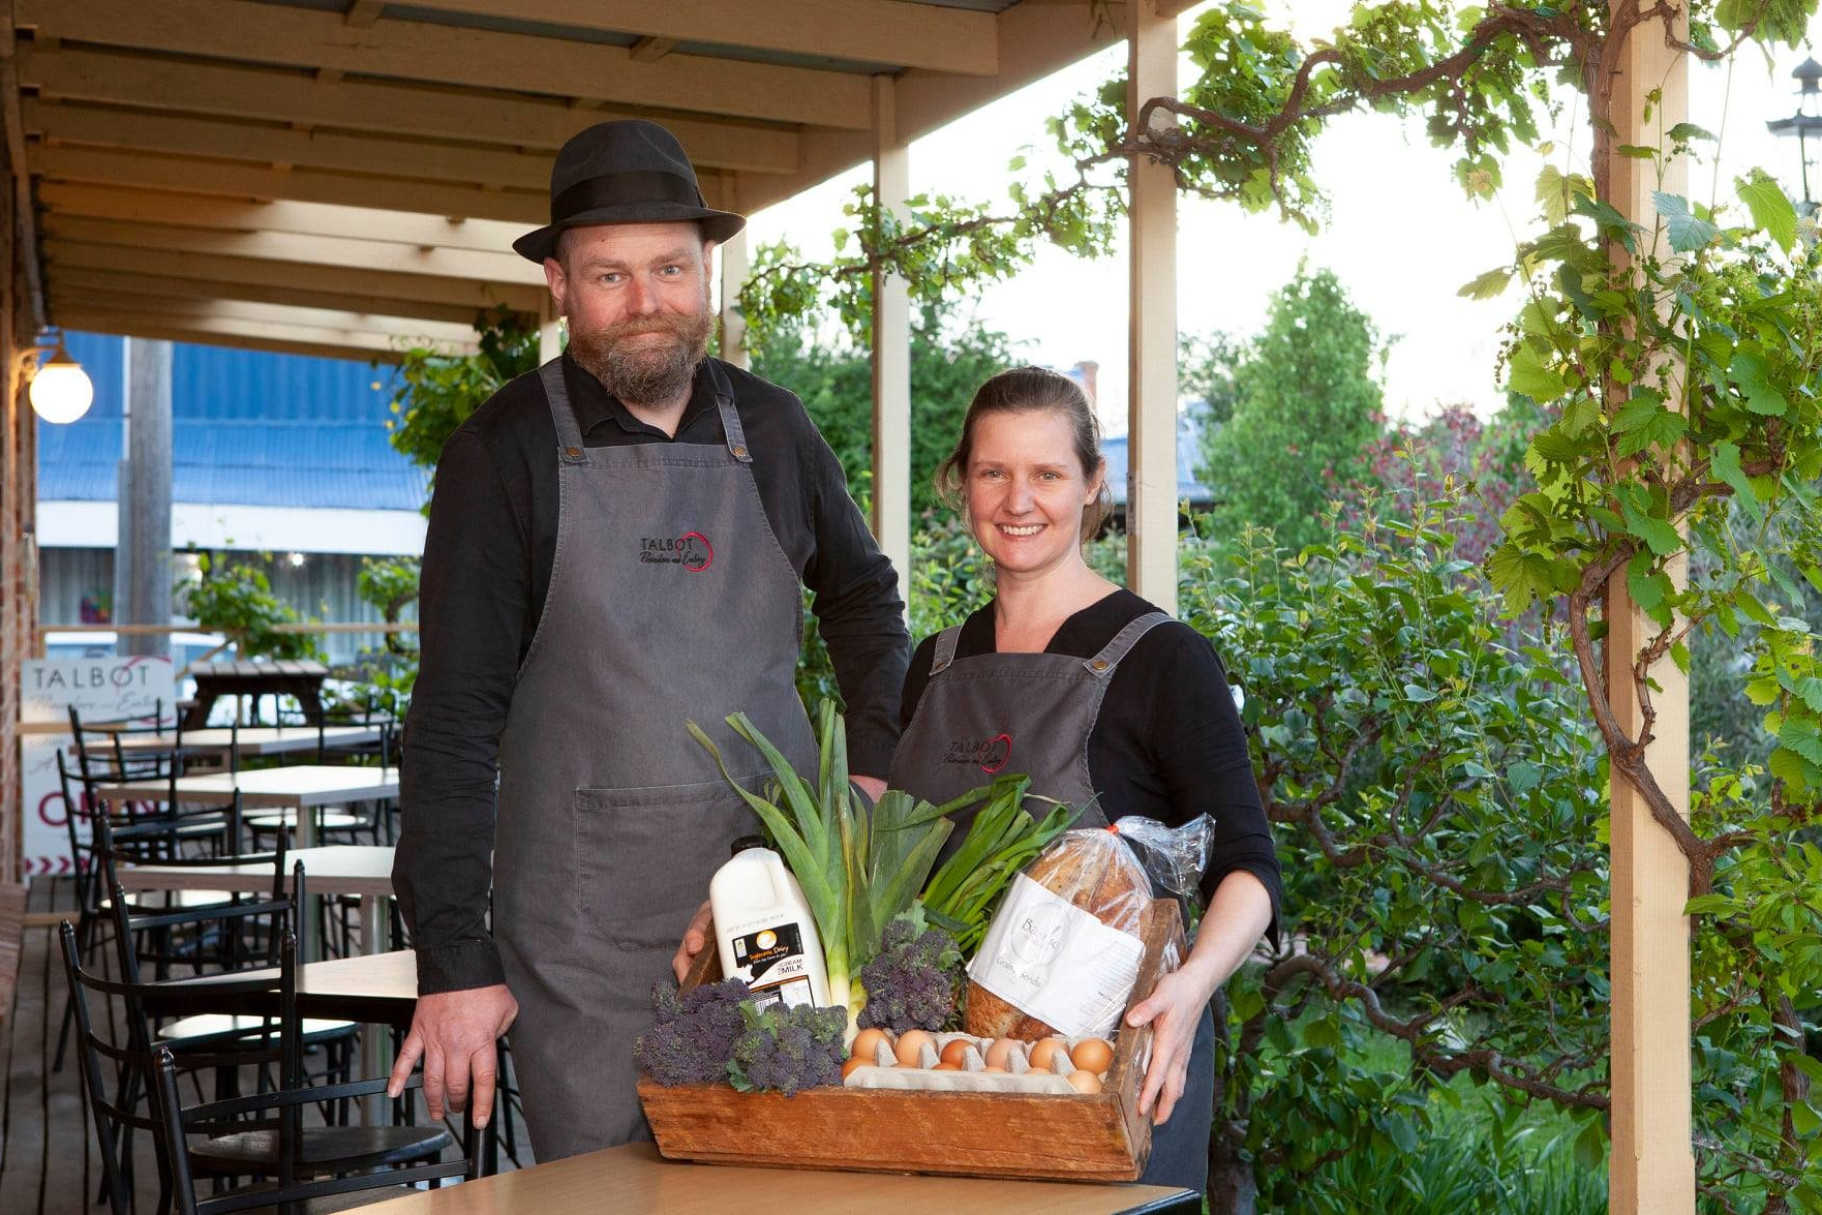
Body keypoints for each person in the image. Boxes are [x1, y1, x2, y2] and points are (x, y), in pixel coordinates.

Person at [388, 120, 908, 1161]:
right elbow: (448, 722)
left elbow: (863, 599)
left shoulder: (775, 430)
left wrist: (877, 773)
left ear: (704, 268)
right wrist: (453, 962)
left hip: (780, 911)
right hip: (586, 944)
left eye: (668, 268)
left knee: (794, 1186)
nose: (645, 302)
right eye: (610, 275)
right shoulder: (502, 456)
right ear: (559, 286)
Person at [889, 366, 1281, 1194]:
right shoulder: (936, 661)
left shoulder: (1164, 659)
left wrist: (1191, 986)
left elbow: (1250, 867)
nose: (1017, 499)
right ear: (962, 482)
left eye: (1047, 473)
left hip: (1110, 1068)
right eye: (993, 471)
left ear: (1093, 482)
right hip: (955, 1069)